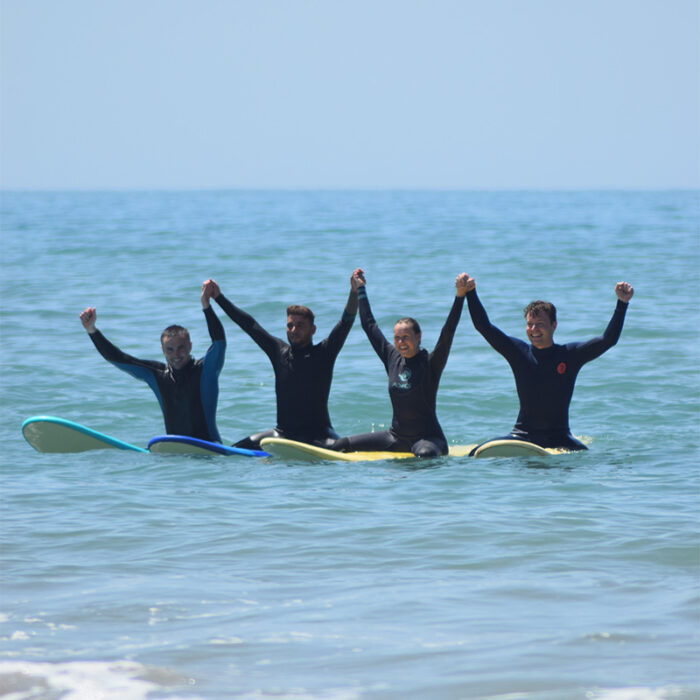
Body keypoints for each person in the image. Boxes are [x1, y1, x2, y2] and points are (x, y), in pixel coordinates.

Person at [464, 276, 635, 452]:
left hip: (560, 436)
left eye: (540, 324)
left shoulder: (570, 355)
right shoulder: (518, 353)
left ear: (554, 325)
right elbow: (484, 326)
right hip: (523, 435)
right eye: (529, 324)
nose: (533, 329)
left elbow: (608, 340)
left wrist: (622, 304)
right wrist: (470, 292)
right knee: (473, 454)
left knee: (586, 457)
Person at [207, 272, 360, 449]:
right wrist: (218, 297)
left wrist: (354, 292)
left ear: (313, 330)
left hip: (319, 435)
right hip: (283, 434)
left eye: (300, 326)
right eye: (290, 325)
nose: (294, 330)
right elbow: (249, 325)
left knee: (344, 448)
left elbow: (346, 321)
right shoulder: (278, 352)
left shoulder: (324, 353)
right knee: (233, 451)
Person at [334, 269, 469, 457]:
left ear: (418, 336)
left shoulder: (431, 363)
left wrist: (460, 296)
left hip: (428, 439)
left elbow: (448, 331)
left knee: (424, 454)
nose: (400, 342)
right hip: (396, 437)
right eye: (397, 338)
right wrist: (361, 289)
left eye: (406, 337)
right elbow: (369, 325)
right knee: (340, 444)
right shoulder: (391, 357)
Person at [79, 279, 226, 442]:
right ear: (162, 351)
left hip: (212, 449)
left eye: (181, 347)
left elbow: (219, 343)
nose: (176, 354)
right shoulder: (157, 375)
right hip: (175, 452)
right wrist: (92, 330)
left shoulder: (206, 370)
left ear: (190, 346)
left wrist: (206, 306)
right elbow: (119, 358)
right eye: (170, 349)